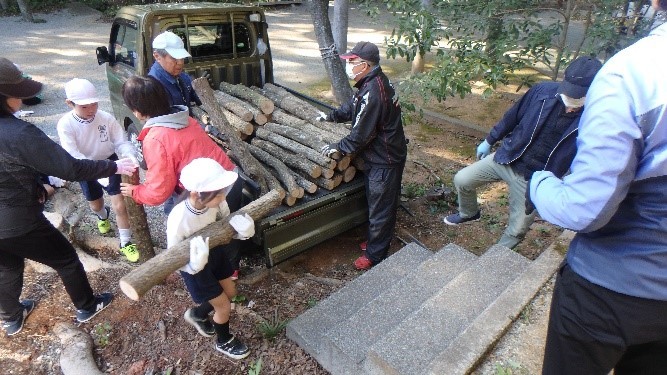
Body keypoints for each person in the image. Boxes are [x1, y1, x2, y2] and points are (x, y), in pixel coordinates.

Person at [529, 0, 667, 373]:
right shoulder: (542, 94)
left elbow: (585, 209)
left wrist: (539, 184)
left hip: (609, 290)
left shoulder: (635, 73)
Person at [0, 57, 137, 336]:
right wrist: (114, 166)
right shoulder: (18, 132)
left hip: (7, 222)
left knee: (7, 265)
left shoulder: (15, 129)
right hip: (18, 218)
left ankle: (11, 317)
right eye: (18, 93)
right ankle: (87, 305)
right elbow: (70, 167)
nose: (23, 99)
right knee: (65, 259)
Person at [442, 56, 602, 249]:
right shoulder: (542, 92)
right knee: (462, 179)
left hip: (534, 178)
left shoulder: (595, 118)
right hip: (509, 157)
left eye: (578, 98)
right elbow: (513, 116)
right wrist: (489, 140)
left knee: (517, 229)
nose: (570, 105)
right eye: (569, 95)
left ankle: (496, 257)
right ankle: (469, 213)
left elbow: (589, 159)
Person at [119, 76, 244, 278]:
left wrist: (136, 192)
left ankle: (207, 277)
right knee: (228, 229)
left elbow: (159, 191)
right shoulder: (186, 119)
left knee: (203, 236)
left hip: (209, 193)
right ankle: (231, 271)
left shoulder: (156, 138)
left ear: (137, 112)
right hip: (230, 179)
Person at [319, 41, 407, 270]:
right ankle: (376, 241)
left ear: (365, 65)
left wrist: (339, 146)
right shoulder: (371, 82)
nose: (349, 65)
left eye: (352, 62)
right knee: (377, 204)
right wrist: (332, 116)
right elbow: (354, 106)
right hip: (380, 156)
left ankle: (375, 255)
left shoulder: (375, 91)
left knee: (381, 209)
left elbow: (361, 134)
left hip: (385, 160)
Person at [167, 158, 254, 359]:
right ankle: (224, 341)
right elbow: (172, 255)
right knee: (223, 306)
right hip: (196, 267)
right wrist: (193, 265)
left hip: (214, 253)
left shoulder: (217, 203)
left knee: (230, 292)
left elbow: (226, 222)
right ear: (197, 194)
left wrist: (241, 230)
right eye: (218, 193)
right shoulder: (179, 218)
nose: (224, 196)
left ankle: (197, 314)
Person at [57, 78, 140, 262]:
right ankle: (103, 216)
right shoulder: (65, 124)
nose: (91, 109)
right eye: (84, 106)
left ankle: (125, 242)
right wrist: (97, 171)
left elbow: (121, 141)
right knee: (95, 204)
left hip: (110, 162)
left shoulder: (105, 118)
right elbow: (72, 153)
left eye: (94, 103)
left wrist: (129, 155)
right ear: (70, 103)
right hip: (84, 167)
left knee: (120, 204)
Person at [148, 31, 201, 109]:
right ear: (157, 56)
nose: (180, 63)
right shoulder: (153, 87)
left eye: (182, 57)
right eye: (174, 58)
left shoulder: (183, 77)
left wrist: (201, 88)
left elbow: (198, 100)